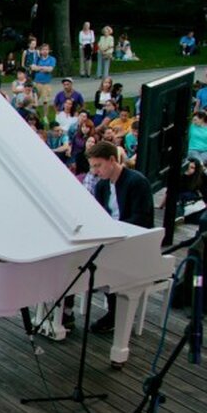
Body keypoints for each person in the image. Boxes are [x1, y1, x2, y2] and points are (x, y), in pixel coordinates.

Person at [87, 141, 154, 333]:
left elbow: (141, 218)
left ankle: (116, 313)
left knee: (111, 264)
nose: (94, 171)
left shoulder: (137, 182)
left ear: (112, 160)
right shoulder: (102, 186)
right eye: (92, 166)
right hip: (113, 238)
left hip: (134, 241)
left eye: (98, 165)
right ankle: (66, 312)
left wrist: (113, 230)